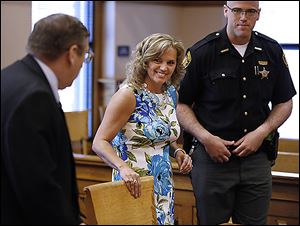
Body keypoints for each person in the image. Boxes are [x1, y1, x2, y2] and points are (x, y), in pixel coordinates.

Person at [177, 1, 296, 225]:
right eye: (237, 10)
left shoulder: (271, 50)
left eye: (250, 11)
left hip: (256, 157)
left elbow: (285, 102)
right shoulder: (203, 51)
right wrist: (206, 138)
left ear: (258, 14)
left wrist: (262, 132)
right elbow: (182, 105)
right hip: (211, 159)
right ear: (226, 11)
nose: (243, 17)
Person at [1, 13, 93, 224]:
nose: (81, 65)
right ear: (72, 53)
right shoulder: (35, 97)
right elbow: (37, 184)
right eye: (85, 56)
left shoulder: (8, 78)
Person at [92, 33, 193, 225]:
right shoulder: (128, 95)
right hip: (132, 182)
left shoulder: (171, 93)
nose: (164, 68)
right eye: (157, 60)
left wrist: (178, 151)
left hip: (163, 184)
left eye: (170, 62)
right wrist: (123, 168)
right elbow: (99, 142)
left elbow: (163, 135)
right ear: (145, 61)